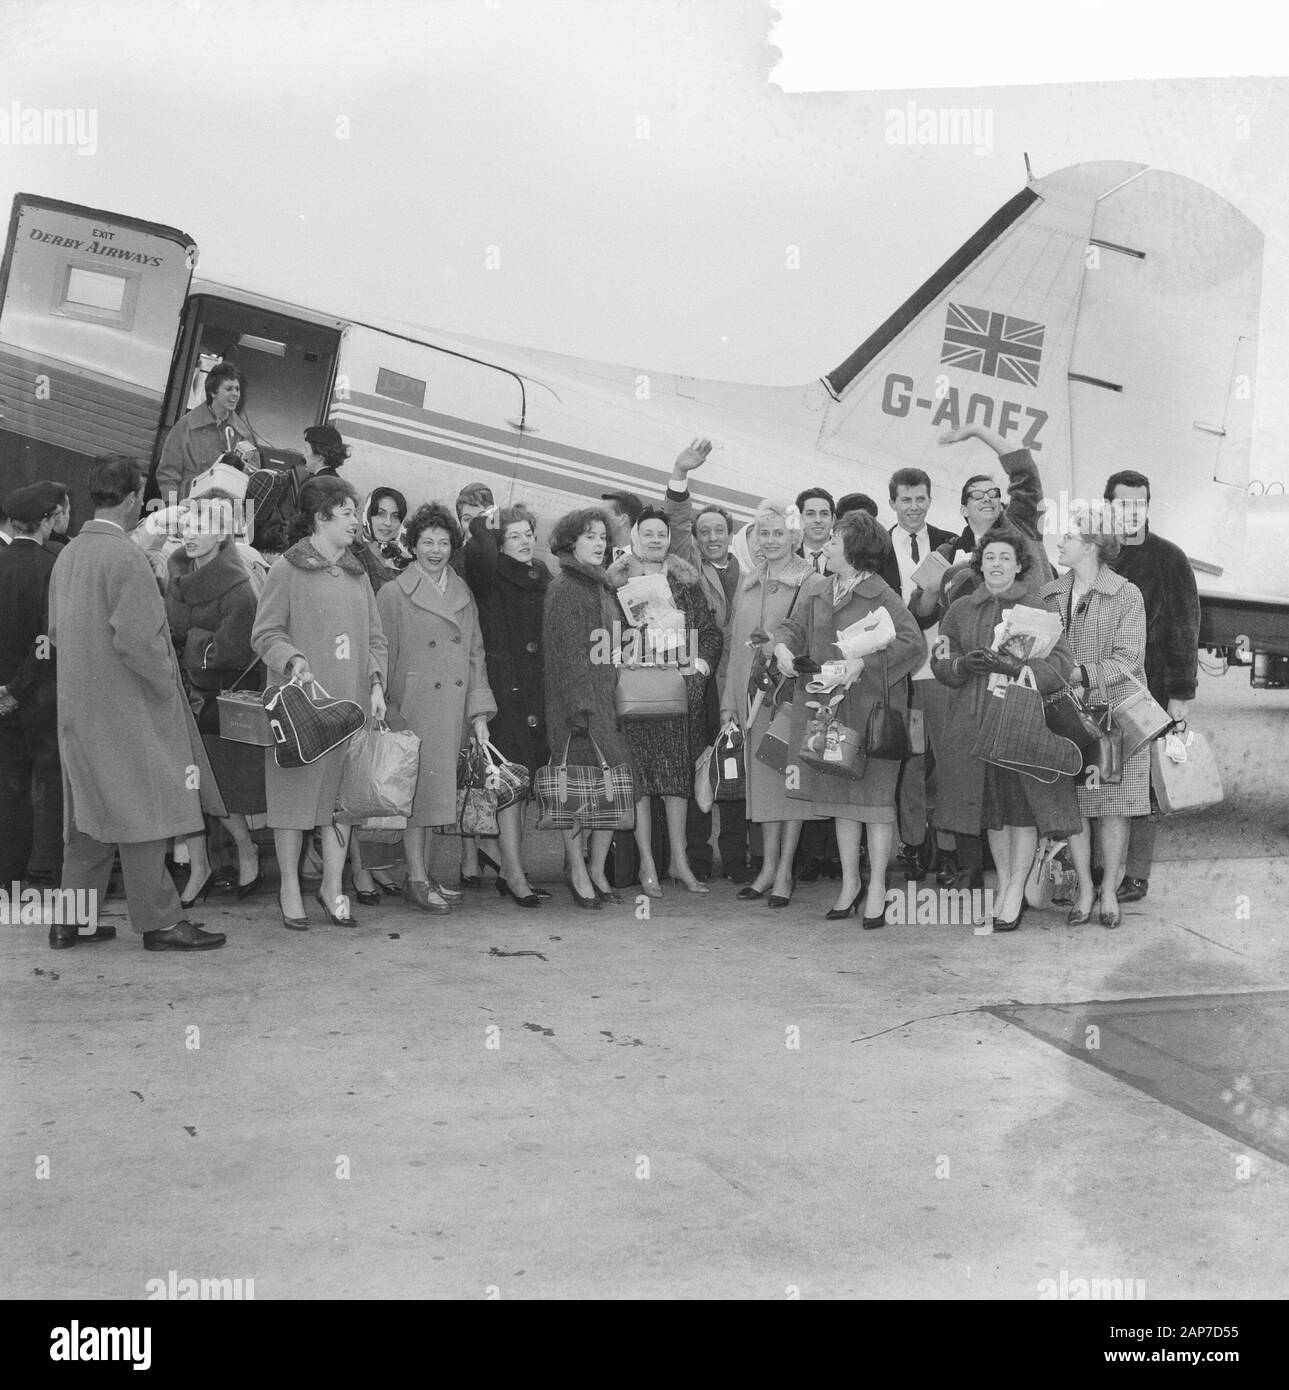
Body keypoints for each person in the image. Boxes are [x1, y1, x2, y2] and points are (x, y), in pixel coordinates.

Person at [48, 455, 227, 951]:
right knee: (145, 810)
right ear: (132, 499)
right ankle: (161, 923)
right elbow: (140, 644)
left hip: (78, 710)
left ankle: (72, 920)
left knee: (91, 817)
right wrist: (170, 687)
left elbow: (58, 633)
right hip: (128, 708)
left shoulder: (69, 555)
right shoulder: (124, 557)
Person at [774, 511, 926, 925]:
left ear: (856, 550)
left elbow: (913, 645)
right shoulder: (819, 588)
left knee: (875, 805)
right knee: (841, 802)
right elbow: (791, 627)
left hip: (871, 715)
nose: (826, 544)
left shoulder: (882, 595)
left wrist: (867, 664)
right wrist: (783, 649)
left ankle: (877, 885)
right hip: (827, 712)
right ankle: (849, 884)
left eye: (836, 540)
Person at [251, 475, 388, 930]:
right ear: (320, 516)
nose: (356, 520)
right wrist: (291, 661)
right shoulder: (286, 571)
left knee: (340, 802)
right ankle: (290, 887)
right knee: (292, 801)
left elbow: (376, 639)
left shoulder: (357, 573)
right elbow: (266, 632)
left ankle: (333, 886)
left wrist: (375, 684)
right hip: (300, 709)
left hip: (349, 708)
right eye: (348, 511)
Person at [932, 523, 1082, 931]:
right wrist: (963, 665)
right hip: (974, 725)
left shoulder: (1040, 609)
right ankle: (1007, 882)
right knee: (991, 812)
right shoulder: (960, 609)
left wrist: (1019, 667)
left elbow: (1063, 666)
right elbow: (940, 661)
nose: (997, 564)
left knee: (1021, 809)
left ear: (1019, 566)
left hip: (1021, 723)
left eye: (1006, 558)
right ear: (979, 565)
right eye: (990, 557)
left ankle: (1015, 889)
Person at [377, 502, 497, 912]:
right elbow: (381, 654)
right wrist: (384, 705)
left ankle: (422, 875)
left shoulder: (463, 594)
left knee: (432, 800)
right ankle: (416, 878)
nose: (435, 549)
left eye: (443, 542)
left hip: (452, 710)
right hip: (412, 709)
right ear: (412, 545)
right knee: (418, 800)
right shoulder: (393, 593)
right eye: (426, 541)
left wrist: (479, 712)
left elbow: (475, 654)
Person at [1042, 504, 1149, 929]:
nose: (1060, 543)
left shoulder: (1126, 594)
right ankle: (1085, 888)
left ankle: (1109, 892)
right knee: (1076, 806)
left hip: (1115, 715)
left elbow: (1129, 658)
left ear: (1089, 545)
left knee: (1114, 806)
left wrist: (1080, 672)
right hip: (1068, 715)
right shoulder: (1051, 594)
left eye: (1067, 537)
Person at [608, 505, 721, 897]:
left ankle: (678, 859)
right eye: (648, 533)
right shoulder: (616, 584)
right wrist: (622, 654)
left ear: (669, 539)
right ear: (636, 537)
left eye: (662, 534)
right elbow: (604, 635)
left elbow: (709, 632)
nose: (656, 540)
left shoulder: (685, 583)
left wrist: (700, 670)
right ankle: (647, 865)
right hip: (636, 694)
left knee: (676, 780)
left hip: (677, 695)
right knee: (640, 783)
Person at [164, 499, 267, 905]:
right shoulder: (175, 574)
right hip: (177, 693)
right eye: (186, 524)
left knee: (215, 786)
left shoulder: (239, 586)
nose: (189, 532)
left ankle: (244, 847)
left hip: (214, 700)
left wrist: (185, 644)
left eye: (201, 525)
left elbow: (232, 651)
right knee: (185, 785)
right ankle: (202, 863)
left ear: (223, 533)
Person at [1105, 469, 1200, 903]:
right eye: (1123, 503)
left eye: (1139, 503)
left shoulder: (1168, 558)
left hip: (1152, 691)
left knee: (1145, 785)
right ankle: (1099, 870)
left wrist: (1180, 694)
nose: (1131, 511)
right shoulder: (1096, 553)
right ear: (1109, 506)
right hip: (1097, 691)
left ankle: (1137, 874)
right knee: (1101, 779)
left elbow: (1185, 627)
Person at [720, 499, 815, 907]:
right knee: (764, 788)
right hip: (752, 699)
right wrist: (729, 703)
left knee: (790, 786)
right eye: (764, 532)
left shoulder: (810, 581)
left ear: (794, 536)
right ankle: (767, 866)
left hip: (788, 699)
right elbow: (734, 650)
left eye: (779, 533)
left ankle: (783, 872)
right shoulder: (748, 579)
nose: (771, 540)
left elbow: (813, 641)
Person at [662, 437, 747, 880]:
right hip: (702, 685)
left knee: (735, 768)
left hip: (739, 689)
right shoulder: (688, 568)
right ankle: (696, 856)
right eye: (705, 531)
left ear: (731, 535)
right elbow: (676, 521)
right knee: (699, 764)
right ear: (695, 539)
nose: (713, 537)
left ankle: (735, 858)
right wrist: (680, 473)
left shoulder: (750, 576)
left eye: (720, 531)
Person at [543, 507, 635, 908]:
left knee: (607, 787)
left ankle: (596, 869)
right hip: (575, 706)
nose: (599, 543)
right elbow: (564, 656)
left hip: (603, 701)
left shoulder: (598, 586)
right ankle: (578, 870)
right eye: (590, 536)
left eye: (602, 537)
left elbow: (605, 643)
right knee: (575, 790)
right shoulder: (565, 588)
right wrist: (578, 710)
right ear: (570, 543)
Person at [462, 502, 551, 905]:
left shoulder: (542, 575)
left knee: (523, 782)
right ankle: (513, 873)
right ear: (499, 543)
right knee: (511, 786)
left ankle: (510, 864)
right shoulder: (489, 573)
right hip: (505, 691)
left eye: (528, 534)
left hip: (536, 691)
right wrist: (483, 526)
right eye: (513, 535)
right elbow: (475, 555)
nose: (524, 541)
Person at [886, 467, 960, 883]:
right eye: (905, 500)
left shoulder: (951, 546)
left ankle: (949, 849)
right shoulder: (880, 548)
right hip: (902, 674)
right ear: (893, 502)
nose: (913, 508)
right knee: (911, 764)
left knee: (948, 762)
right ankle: (913, 846)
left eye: (920, 499)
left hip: (941, 671)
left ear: (930, 499)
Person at [0, 484, 65, 890]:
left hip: (2, 698)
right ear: (45, 521)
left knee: (10, 786)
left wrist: (3, 691)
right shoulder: (51, 567)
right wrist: (18, 690)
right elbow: (47, 641)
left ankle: (8, 875)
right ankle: (54, 871)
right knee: (53, 783)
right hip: (40, 697)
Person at [155, 362, 260, 503]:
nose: (235, 394)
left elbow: (251, 478)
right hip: (186, 505)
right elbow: (167, 474)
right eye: (229, 389)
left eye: (237, 389)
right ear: (213, 392)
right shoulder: (186, 426)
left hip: (222, 512)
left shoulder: (243, 434)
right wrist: (174, 507)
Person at [795, 487, 834, 575]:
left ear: (833, 519)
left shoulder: (847, 557)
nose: (818, 520)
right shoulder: (786, 554)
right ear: (799, 519)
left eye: (824, 514)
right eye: (810, 514)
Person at [600, 490, 643, 562]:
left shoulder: (647, 561)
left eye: (603, 515)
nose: (598, 520)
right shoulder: (598, 555)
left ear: (622, 519)